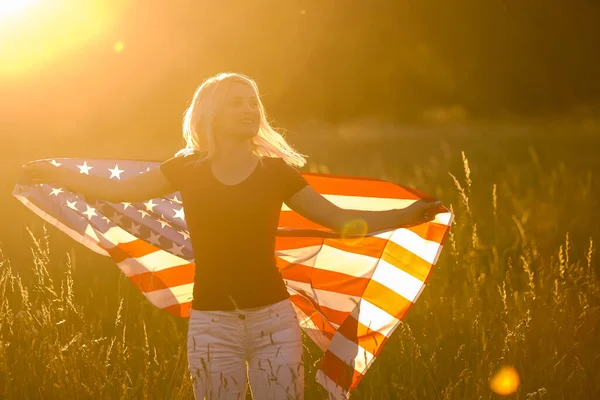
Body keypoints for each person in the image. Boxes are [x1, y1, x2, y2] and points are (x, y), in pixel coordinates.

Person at [22, 72, 443, 399]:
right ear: (211, 114)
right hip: (211, 323)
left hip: (274, 322)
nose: (249, 110)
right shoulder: (186, 167)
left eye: (252, 103)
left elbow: (338, 220)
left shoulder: (275, 172)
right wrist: (55, 174)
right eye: (236, 103)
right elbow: (118, 191)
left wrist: (408, 213)